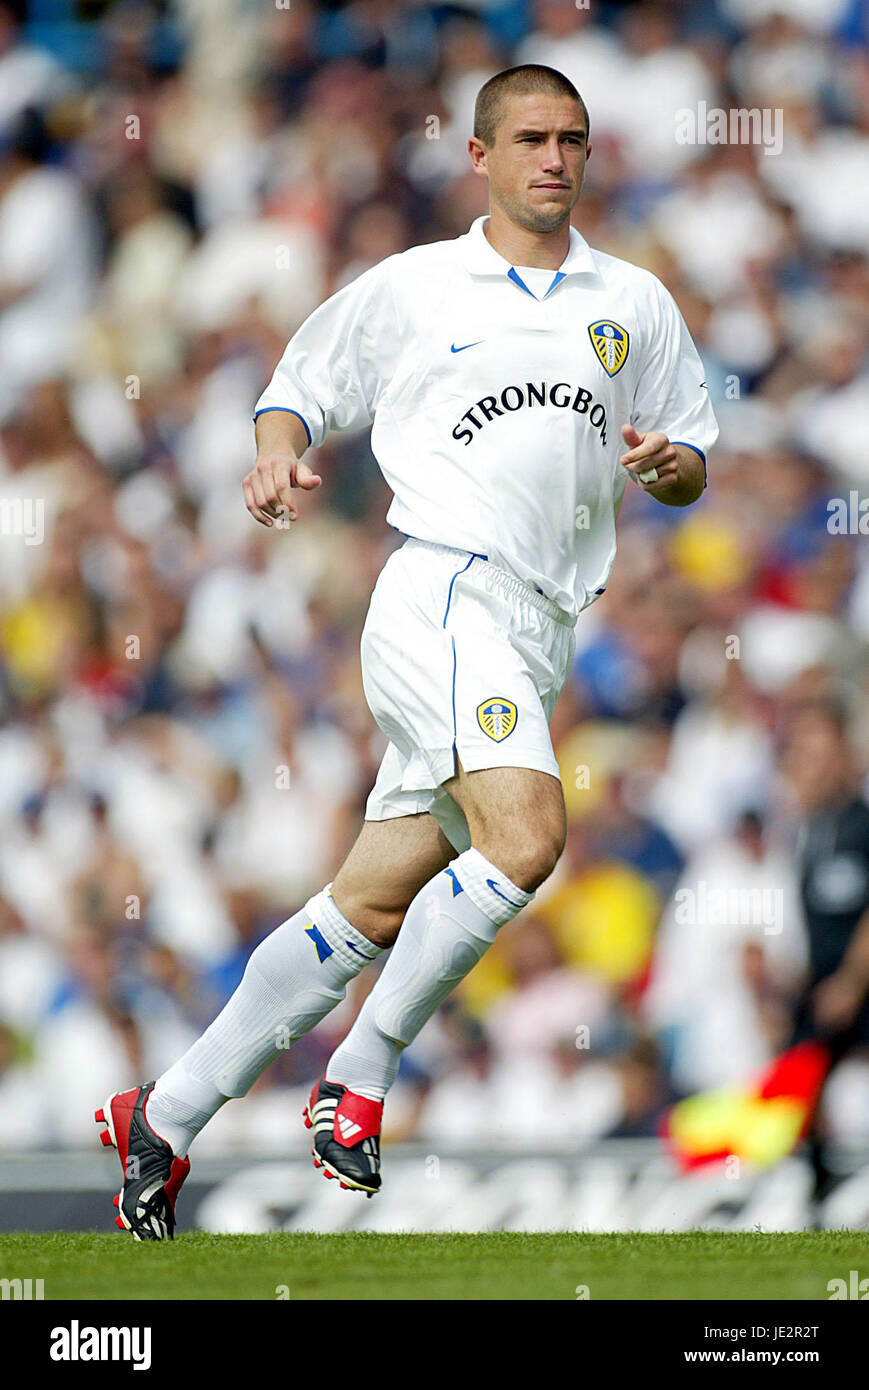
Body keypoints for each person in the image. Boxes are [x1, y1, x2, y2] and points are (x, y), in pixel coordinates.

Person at [96, 64, 717, 1239]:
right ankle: (362, 1075)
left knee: (371, 906)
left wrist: (670, 470)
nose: (554, 158)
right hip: (441, 589)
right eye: (529, 137)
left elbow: (687, 453)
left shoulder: (633, 301)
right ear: (478, 155)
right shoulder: (417, 286)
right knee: (526, 836)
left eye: (572, 140)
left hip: (539, 626)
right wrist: (276, 455)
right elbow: (297, 385)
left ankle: (163, 1117)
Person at [780, 701, 869, 1203]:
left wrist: (852, 982)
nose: (810, 763)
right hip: (824, 983)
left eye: (820, 750)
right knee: (800, 1075)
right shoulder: (808, 832)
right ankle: (818, 1189)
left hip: (856, 982)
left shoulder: (861, 824)